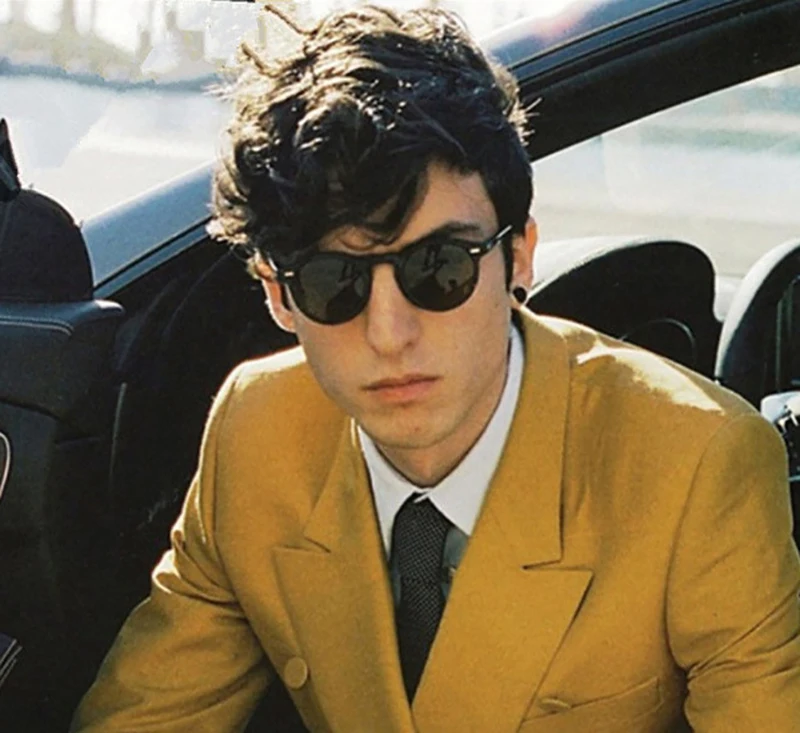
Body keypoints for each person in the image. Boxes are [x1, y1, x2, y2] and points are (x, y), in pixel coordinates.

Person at [72, 5, 800, 732]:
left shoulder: (695, 463)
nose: (389, 334)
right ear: (278, 295)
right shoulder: (258, 429)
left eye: (439, 268)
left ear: (518, 257)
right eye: (334, 282)